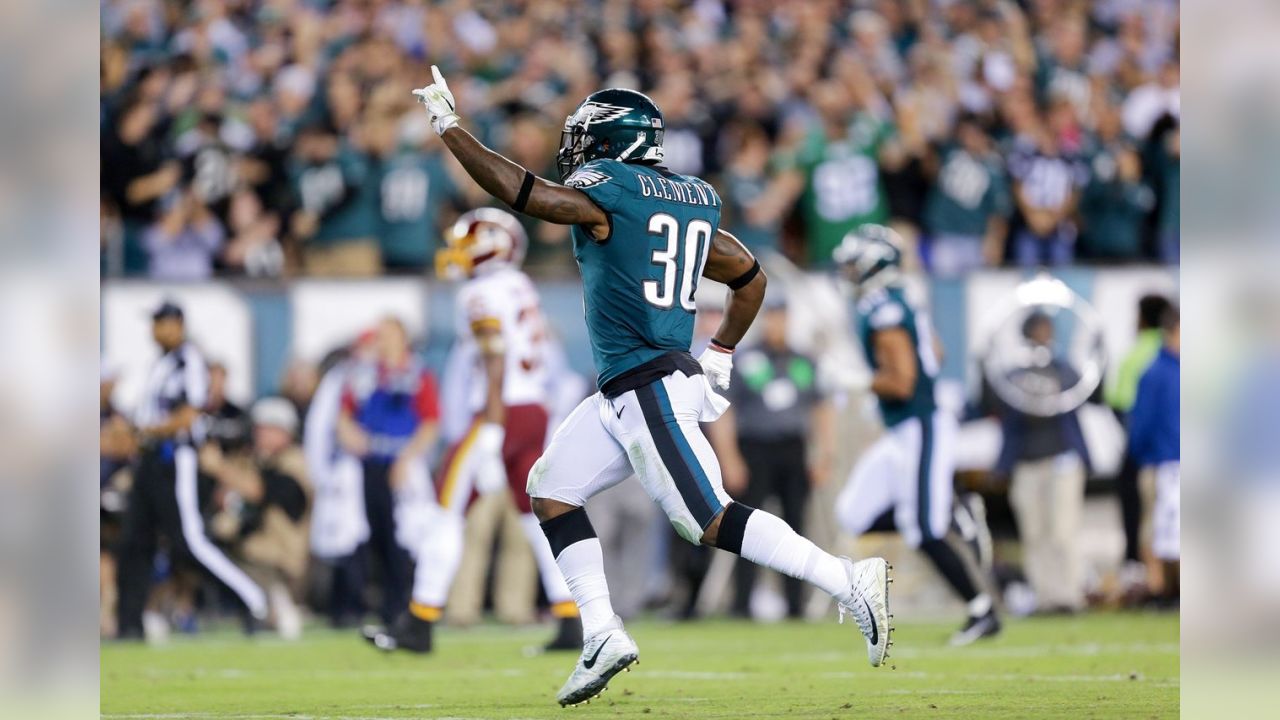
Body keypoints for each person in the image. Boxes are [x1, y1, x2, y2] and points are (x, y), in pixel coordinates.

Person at [413, 69, 891, 706]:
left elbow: (528, 195)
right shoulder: (687, 198)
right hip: (627, 387)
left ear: (615, 141)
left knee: (708, 519)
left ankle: (847, 579)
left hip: (650, 385)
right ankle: (601, 632)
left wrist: (451, 129)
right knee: (551, 490)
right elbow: (749, 278)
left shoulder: (609, 190)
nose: (577, 150)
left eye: (586, 137)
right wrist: (720, 352)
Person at [367, 208, 582, 654]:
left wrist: (489, 429)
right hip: (532, 411)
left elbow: (495, 354)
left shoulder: (482, 291)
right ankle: (570, 618)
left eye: (466, 244)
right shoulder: (520, 285)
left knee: (446, 508)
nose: (457, 253)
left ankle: (419, 620)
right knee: (532, 514)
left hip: (498, 412)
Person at [829, 225, 1000, 646]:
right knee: (852, 512)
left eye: (854, 264)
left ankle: (982, 610)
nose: (848, 273)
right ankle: (940, 504)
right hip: (903, 428)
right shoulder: (897, 299)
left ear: (873, 265)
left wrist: (860, 381)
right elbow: (935, 353)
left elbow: (902, 382)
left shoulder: (881, 308)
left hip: (919, 423)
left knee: (922, 528)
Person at [115, 301, 268, 639]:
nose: (156, 330)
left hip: (175, 459)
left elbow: (189, 415)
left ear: (178, 325)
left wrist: (145, 432)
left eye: (162, 323)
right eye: (154, 323)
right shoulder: (162, 363)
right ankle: (129, 624)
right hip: (150, 460)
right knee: (135, 542)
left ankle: (253, 599)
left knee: (191, 542)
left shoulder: (190, 360)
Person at [708, 292, 836, 619]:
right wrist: (729, 459)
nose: (777, 324)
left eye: (782, 317)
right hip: (754, 449)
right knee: (747, 528)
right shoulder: (746, 359)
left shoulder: (803, 361)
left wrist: (824, 455)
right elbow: (724, 412)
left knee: (796, 526)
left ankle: (795, 604)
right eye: (772, 317)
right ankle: (742, 603)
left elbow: (822, 408)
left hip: (793, 449)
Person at [337, 316, 440, 625]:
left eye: (388, 336)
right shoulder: (364, 374)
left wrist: (407, 459)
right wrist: (351, 436)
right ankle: (384, 604)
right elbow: (344, 414)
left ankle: (406, 604)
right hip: (371, 462)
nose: (382, 342)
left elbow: (431, 422)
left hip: (404, 465)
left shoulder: (417, 374)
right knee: (375, 533)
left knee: (407, 538)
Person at [993, 312, 1092, 613]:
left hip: (1061, 458)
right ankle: (1045, 596)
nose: (1043, 336)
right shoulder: (1014, 375)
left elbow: (1089, 392)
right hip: (1027, 462)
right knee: (1034, 533)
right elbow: (997, 405)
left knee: (1063, 531)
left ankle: (1069, 595)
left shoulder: (1062, 370)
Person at [201, 397, 311, 639]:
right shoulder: (257, 460)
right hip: (252, 554)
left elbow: (259, 490)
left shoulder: (294, 462)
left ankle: (276, 602)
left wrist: (219, 467)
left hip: (281, 562)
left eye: (264, 428)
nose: (257, 434)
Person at [1104, 294, 1172, 601]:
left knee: (1148, 524)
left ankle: (1153, 584)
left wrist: (1137, 449)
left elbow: (1119, 404)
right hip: (1175, 451)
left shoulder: (1138, 357)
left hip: (1152, 454)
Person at [1127, 306, 1179, 604]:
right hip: (1161, 463)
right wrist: (1144, 455)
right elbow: (1142, 421)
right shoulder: (1154, 373)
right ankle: (1157, 588)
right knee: (1156, 529)